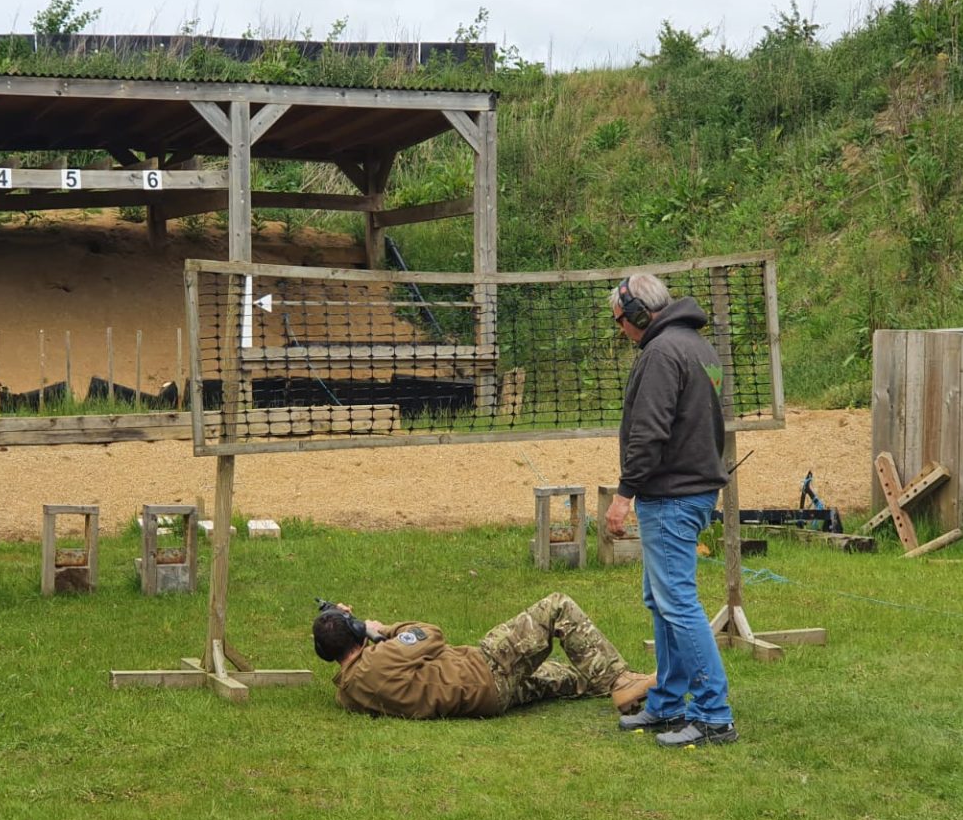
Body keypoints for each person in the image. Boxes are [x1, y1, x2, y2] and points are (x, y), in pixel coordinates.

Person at [604, 273, 739, 746]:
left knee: (678, 604)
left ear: (640, 315)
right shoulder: (698, 347)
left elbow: (650, 433)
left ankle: (713, 715)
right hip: (692, 491)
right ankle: (666, 705)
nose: (621, 329)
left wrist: (624, 494)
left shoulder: (661, 354)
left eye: (621, 319)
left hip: (672, 496)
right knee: (661, 601)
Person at [312, 592, 655, 720]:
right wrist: (382, 628)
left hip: (488, 700)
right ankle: (621, 681)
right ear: (356, 632)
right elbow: (431, 635)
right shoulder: (381, 656)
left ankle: (640, 687)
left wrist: (354, 629)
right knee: (556, 607)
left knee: (566, 678)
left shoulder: (348, 693)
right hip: (485, 668)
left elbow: (384, 667)